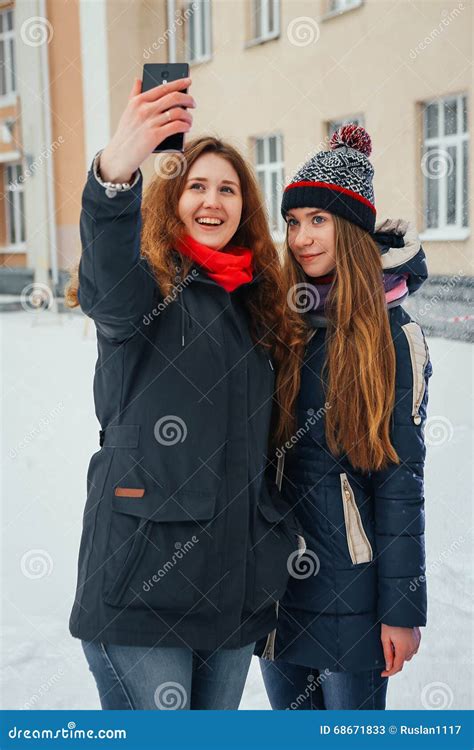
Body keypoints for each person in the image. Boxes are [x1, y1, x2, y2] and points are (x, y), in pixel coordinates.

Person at [65, 76, 299, 710]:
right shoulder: (146, 291)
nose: (213, 201)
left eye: (228, 189)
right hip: (143, 594)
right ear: (173, 198)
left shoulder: (258, 306)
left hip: (231, 596)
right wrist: (115, 173)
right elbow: (107, 281)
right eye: (197, 186)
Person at [255, 124, 432, 710]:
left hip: (352, 591)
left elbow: (401, 479)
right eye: (293, 220)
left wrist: (401, 611)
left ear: (351, 229)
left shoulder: (391, 335)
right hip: (276, 586)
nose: (301, 237)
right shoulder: (284, 321)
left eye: (318, 220)